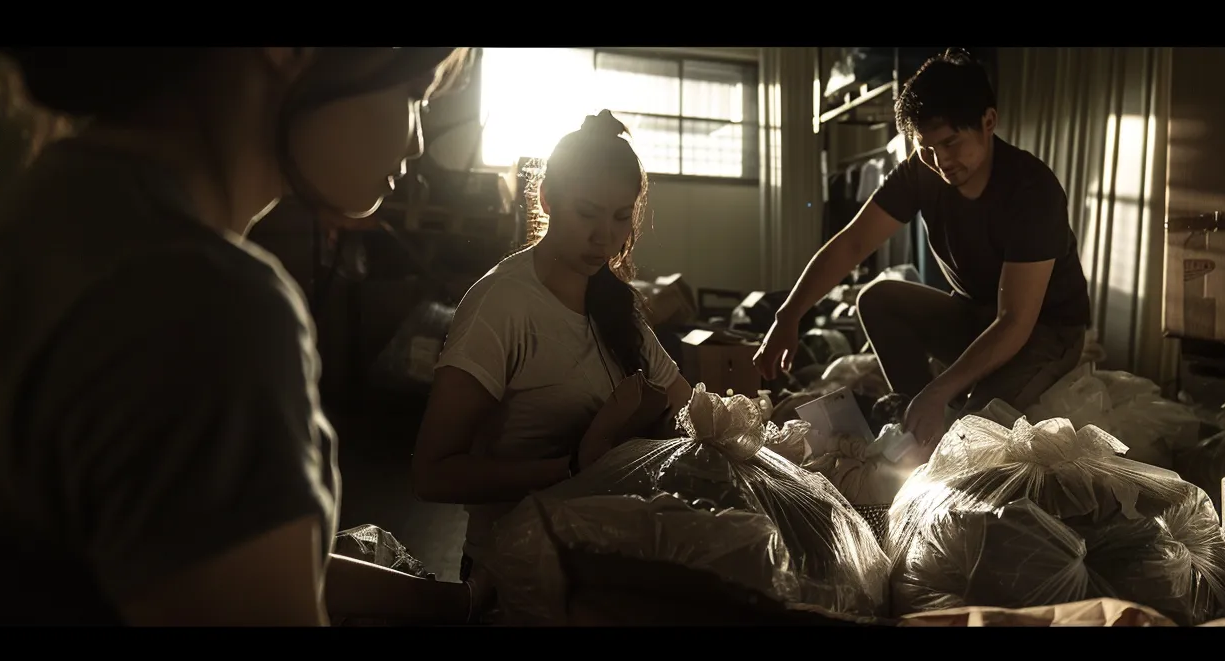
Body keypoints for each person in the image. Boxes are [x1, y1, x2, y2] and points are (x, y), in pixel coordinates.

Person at [0, 47, 473, 626]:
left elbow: (181, 555)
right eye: (414, 91)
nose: (418, 140)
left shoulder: (33, 223)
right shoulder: (200, 300)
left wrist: (452, 604)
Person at [411, 110, 694, 592]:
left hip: (606, 564)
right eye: (587, 213)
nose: (604, 237)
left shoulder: (616, 304)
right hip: (514, 575)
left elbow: (686, 409)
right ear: (546, 198)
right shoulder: (503, 304)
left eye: (621, 217)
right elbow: (432, 475)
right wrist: (571, 470)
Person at [754, 49, 1092, 450]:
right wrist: (788, 315)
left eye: (951, 142)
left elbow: (1016, 319)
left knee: (973, 434)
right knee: (877, 299)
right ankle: (920, 424)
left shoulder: (1031, 190)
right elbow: (854, 242)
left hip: (1044, 330)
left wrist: (940, 390)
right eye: (926, 148)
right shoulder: (922, 169)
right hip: (974, 316)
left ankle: (935, 416)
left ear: (988, 122)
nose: (940, 160)